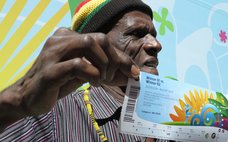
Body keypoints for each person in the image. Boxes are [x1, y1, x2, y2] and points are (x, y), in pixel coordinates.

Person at [0, 0, 164, 141]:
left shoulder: (177, 117)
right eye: (136, 33)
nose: (156, 45)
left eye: (153, 35)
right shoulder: (54, 115)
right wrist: (17, 100)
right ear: (97, 46)